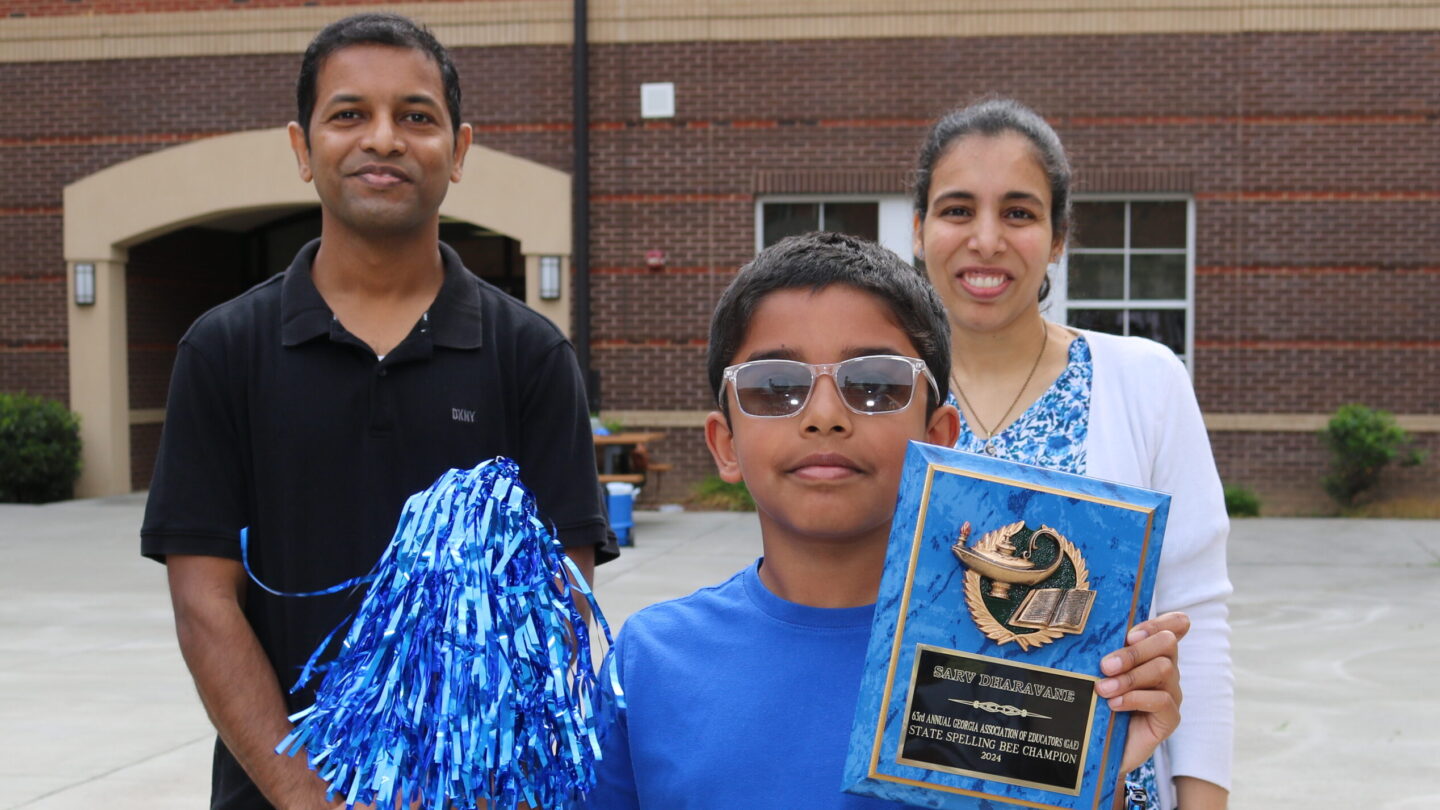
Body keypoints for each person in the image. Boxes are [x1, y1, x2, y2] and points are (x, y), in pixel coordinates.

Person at [140, 14, 613, 810]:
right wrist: (309, 796)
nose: (385, 139)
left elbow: (560, 600)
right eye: (350, 114)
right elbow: (203, 603)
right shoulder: (222, 352)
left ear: (459, 152)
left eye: (417, 117)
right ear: (303, 147)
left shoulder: (531, 355)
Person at [587, 231, 1189, 809]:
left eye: (874, 384)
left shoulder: (1008, 658)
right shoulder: (650, 664)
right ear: (724, 444)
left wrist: (1094, 777)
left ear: (939, 439)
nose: (825, 415)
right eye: (776, 386)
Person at [910, 98, 1232, 810]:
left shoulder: (1145, 382)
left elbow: (1196, 620)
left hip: (1107, 789)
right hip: (908, 785)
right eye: (957, 210)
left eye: (1019, 213)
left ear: (1058, 237)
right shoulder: (880, 394)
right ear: (919, 228)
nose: (986, 240)